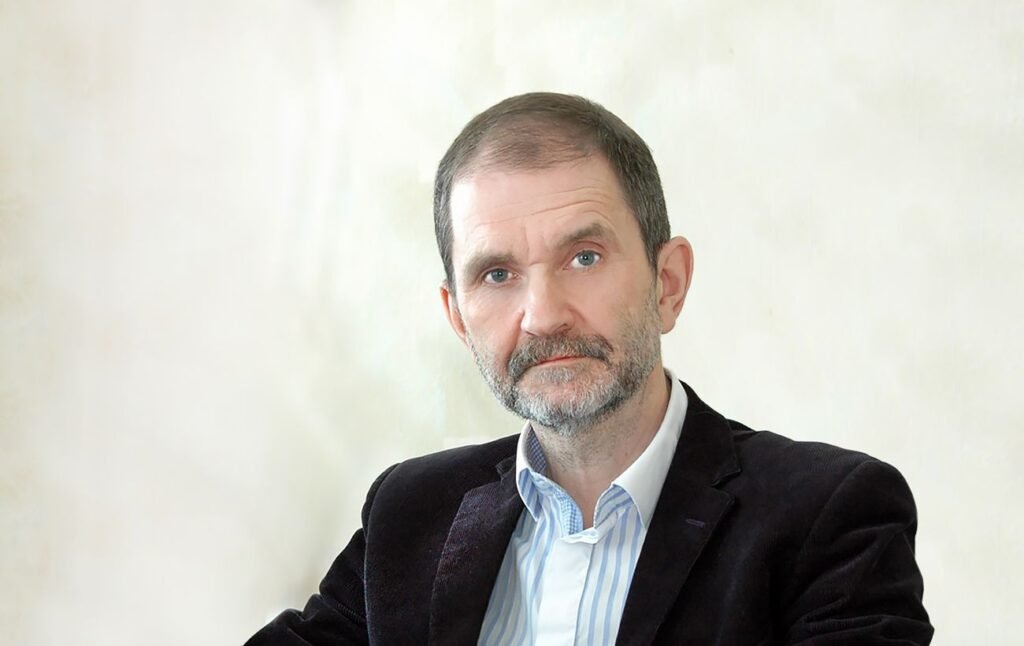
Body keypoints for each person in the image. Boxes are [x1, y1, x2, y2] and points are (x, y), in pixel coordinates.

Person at [246, 93, 932, 645]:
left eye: (584, 258)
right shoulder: (411, 514)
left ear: (668, 284)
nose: (543, 316)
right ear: (458, 318)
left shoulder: (829, 518)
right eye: (497, 273)